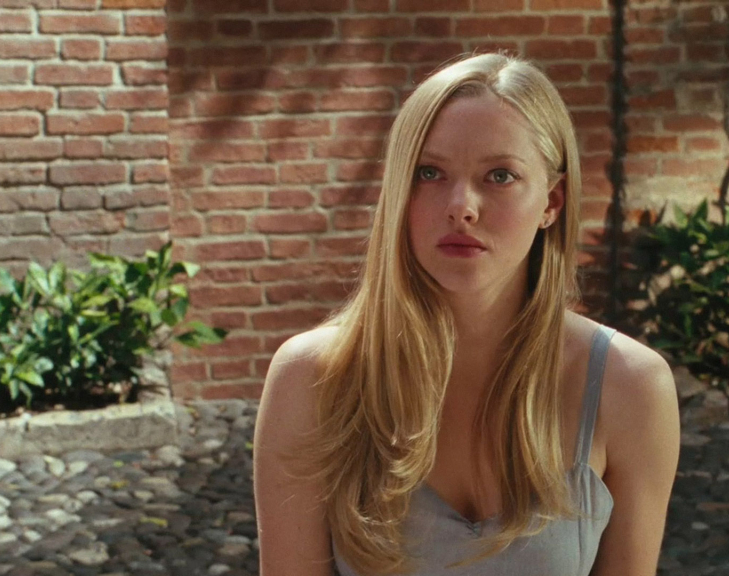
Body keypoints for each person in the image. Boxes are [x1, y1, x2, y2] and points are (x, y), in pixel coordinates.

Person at [253, 52, 681, 576]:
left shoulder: (628, 386)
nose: (461, 206)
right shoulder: (312, 379)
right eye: (429, 172)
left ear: (552, 202)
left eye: (499, 175)